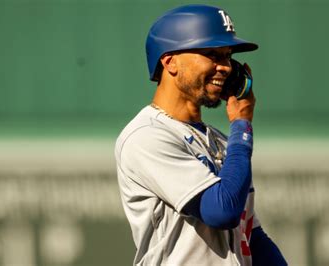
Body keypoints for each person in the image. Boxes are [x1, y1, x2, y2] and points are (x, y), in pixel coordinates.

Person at [115, 4, 287, 266]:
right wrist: (241, 124)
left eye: (227, 56)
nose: (226, 67)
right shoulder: (146, 136)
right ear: (170, 62)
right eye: (212, 54)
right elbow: (221, 211)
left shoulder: (222, 142)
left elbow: (250, 235)